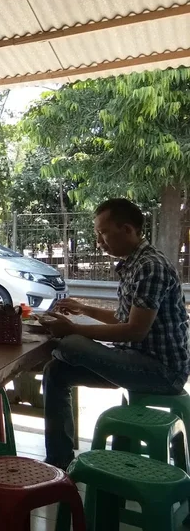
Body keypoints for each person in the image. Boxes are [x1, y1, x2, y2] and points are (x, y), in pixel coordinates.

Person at [40, 198, 190, 469]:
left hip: (162, 371)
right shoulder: (134, 263)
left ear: (128, 229)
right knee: (56, 371)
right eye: (97, 233)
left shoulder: (150, 266)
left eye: (103, 232)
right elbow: (124, 318)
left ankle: (61, 344)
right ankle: (58, 463)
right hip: (133, 359)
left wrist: (73, 330)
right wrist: (82, 308)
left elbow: (135, 330)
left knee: (71, 344)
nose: (99, 240)